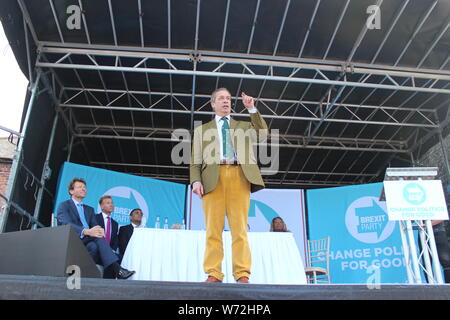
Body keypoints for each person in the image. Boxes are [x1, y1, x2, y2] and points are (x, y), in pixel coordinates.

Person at [190, 88, 268, 284]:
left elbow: (263, 134)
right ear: (213, 104)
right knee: (213, 230)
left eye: (228, 98)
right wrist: (195, 180)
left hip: (239, 176)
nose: (226, 101)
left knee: (239, 229)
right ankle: (213, 273)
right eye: (221, 98)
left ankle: (242, 273)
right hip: (211, 179)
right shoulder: (202, 130)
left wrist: (251, 109)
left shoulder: (242, 125)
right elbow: (195, 159)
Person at [56, 178, 135, 280]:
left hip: (89, 240)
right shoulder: (64, 205)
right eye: (80, 187)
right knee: (97, 240)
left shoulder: (89, 209)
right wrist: (86, 231)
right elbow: (65, 223)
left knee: (94, 245)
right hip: (73, 239)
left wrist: (99, 230)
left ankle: (87, 276)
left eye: (84, 187)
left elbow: (95, 225)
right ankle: (118, 270)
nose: (84, 189)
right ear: (71, 191)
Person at [95, 195, 119, 278]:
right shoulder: (95, 218)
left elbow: (115, 239)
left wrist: (112, 250)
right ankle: (120, 272)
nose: (111, 205)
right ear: (102, 206)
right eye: (108, 203)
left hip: (110, 253)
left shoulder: (115, 223)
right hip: (97, 251)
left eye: (112, 203)